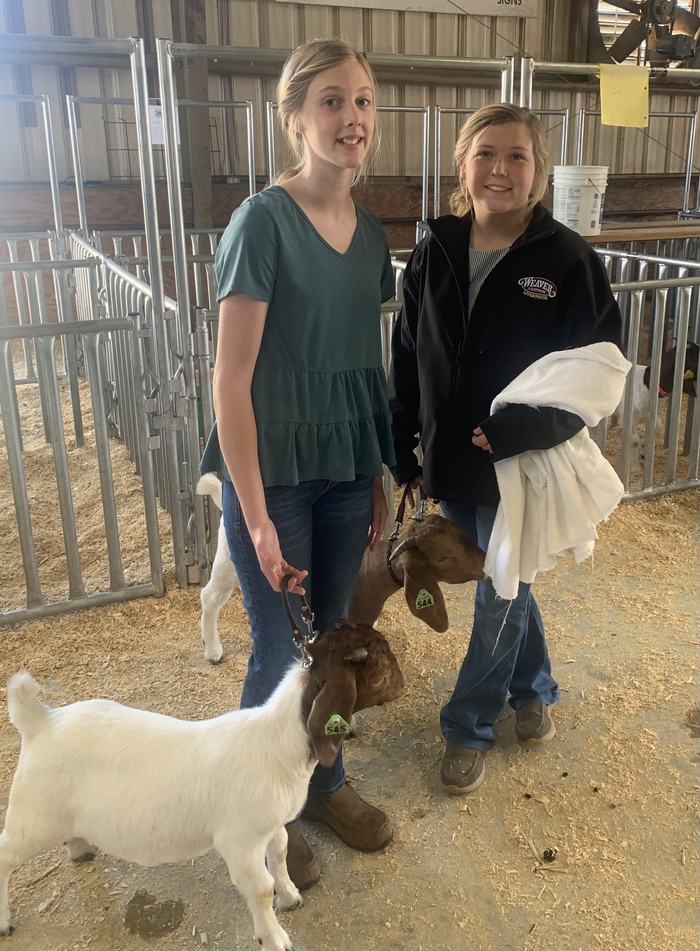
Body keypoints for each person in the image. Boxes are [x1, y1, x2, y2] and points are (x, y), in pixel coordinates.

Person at [204, 39, 396, 888]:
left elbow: (364, 360)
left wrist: (381, 469)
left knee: (338, 637)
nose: (350, 117)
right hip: (275, 470)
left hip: (347, 463)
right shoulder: (261, 222)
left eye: (361, 101)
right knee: (278, 646)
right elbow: (231, 379)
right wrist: (250, 513)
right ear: (294, 118)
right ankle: (256, 814)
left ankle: (328, 780)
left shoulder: (374, 234)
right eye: (330, 101)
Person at [389, 103, 622, 795]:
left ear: (539, 173)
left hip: (524, 463)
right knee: (506, 576)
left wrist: (527, 428)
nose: (501, 169)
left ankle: (468, 723)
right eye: (486, 153)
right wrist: (404, 445)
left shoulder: (569, 260)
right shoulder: (434, 249)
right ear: (463, 165)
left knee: (502, 586)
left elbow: (601, 368)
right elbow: (407, 350)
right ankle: (535, 686)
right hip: (450, 459)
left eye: (517, 156)